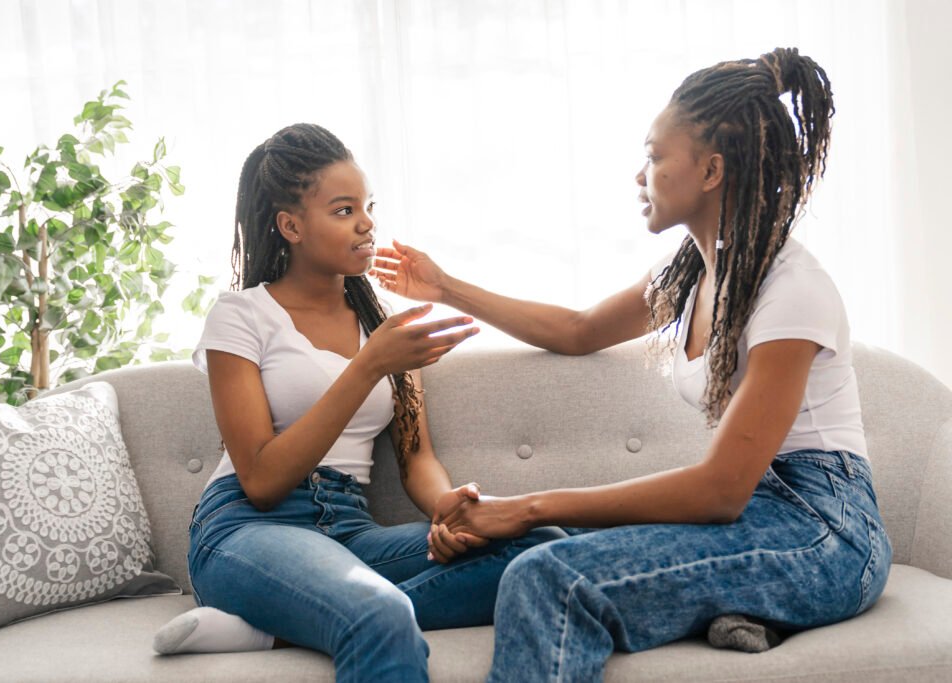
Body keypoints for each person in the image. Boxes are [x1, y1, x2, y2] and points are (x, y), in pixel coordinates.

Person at [371, 47, 892, 681]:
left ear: (710, 171)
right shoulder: (696, 274)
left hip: (827, 533)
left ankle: (754, 604)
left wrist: (528, 504)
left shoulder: (790, 289)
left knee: (551, 576)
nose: (639, 175)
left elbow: (721, 491)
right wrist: (446, 286)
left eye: (653, 156)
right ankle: (742, 606)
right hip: (763, 513)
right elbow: (578, 330)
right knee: (537, 554)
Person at [152, 123, 566, 681]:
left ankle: (274, 628)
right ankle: (312, 612)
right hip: (250, 529)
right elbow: (262, 479)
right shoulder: (242, 315)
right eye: (344, 210)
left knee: (542, 547)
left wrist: (451, 512)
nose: (367, 223)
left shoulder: (384, 328)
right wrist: (369, 365)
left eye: (368, 206)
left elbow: (416, 458)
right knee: (379, 613)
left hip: (348, 528)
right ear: (291, 226)